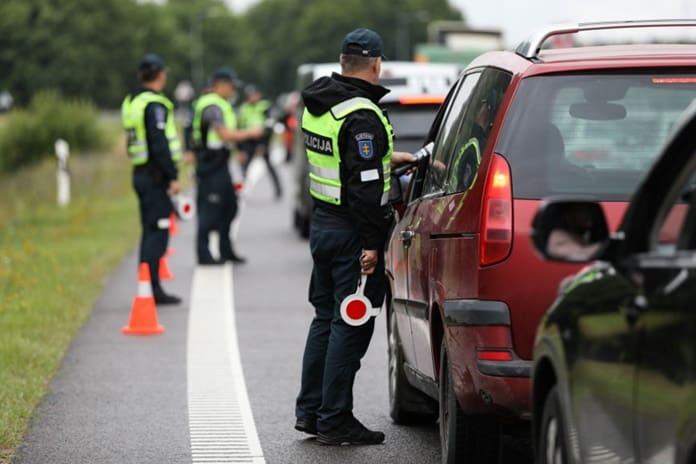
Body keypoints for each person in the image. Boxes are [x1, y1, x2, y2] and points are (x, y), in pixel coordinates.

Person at [294, 28, 416, 446]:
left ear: (343, 60)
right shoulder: (362, 115)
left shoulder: (321, 104)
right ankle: (335, 420)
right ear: (377, 64)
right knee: (353, 320)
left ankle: (311, 413)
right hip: (352, 235)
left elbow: (346, 165)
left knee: (326, 318)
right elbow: (364, 187)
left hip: (324, 224)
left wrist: (387, 158)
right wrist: (370, 245)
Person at [121, 53, 182, 305]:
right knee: (157, 230)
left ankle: (148, 283)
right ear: (160, 74)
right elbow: (159, 145)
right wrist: (172, 176)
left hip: (140, 172)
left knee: (149, 229)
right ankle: (153, 288)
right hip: (155, 176)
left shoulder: (132, 101)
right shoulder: (154, 104)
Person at [191, 67, 263, 265]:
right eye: (231, 86)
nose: (234, 91)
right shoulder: (212, 106)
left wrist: (237, 150)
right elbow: (224, 134)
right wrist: (250, 133)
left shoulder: (220, 103)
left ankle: (225, 250)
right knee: (209, 210)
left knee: (229, 206)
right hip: (210, 164)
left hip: (220, 162)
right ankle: (204, 254)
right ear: (220, 85)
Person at [238, 85, 283, 199]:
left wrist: (263, 145)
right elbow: (239, 128)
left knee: (269, 166)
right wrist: (241, 149)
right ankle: (242, 190)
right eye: (249, 96)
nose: (251, 98)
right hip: (248, 141)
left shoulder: (265, 107)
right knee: (244, 166)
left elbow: (269, 126)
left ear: (258, 95)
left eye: (253, 95)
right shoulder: (244, 108)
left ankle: (278, 190)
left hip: (262, 140)